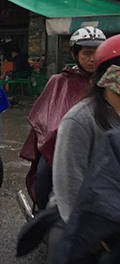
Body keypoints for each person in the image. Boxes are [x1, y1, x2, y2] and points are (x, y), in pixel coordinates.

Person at [40, 34, 120, 264]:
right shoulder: (80, 120)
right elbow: (68, 188)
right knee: (65, 251)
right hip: (80, 215)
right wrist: (94, 234)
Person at [20, 27, 106, 210]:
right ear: (74, 54)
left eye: (97, 53)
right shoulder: (59, 81)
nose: (92, 59)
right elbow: (44, 116)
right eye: (87, 53)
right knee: (43, 176)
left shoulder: (108, 81)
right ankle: (43, 214)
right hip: (60, 144)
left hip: (102, 141)